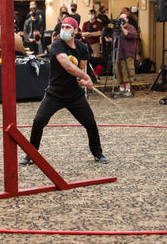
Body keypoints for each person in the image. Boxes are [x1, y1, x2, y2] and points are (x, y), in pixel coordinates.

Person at [19, 17, 109, 165]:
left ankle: (98, 153)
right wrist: (86, 76)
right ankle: (30, 155)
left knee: (90, 123)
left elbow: (81, 69)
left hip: (74, 94)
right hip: (55, 93)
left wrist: (83, 80)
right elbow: (67, 65)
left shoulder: (82, 48)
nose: (64, 30)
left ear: (76, 31)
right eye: (63, 27)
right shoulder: (57, 45)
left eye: (68, 27)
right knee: (38, 122)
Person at [105, 13, 137, 96]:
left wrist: (122, 28)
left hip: (127, 54)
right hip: (117, 55)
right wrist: (110, 40)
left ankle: (128, 90)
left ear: (127, 19)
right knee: (118, 73)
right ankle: (121, 89)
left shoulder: (130, 27)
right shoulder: (116, 30)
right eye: (120, 19)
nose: (121, 21)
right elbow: (116, 40)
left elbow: (130, 35)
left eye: (123, 19)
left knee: (127, 72)